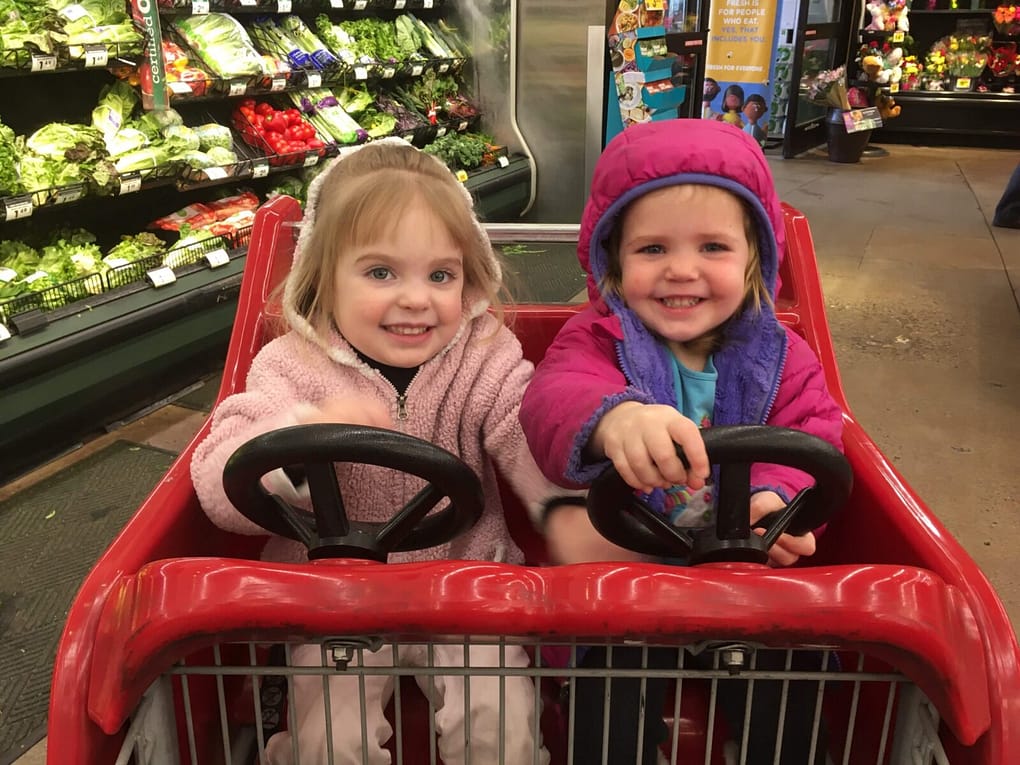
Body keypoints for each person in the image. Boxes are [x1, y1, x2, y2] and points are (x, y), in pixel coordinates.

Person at [190, 139, 563, 765]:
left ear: (469, 279)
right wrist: (301, 433)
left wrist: (570, 494)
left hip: (466, 585)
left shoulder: (485, 356)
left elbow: (526, 434)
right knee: (330, 739)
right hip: (334, 597)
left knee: (501, 726)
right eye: (381, 273)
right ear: (324, 276)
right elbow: (219, 481)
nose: (416, 299)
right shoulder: (290, 366)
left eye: (440, 275)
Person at [519, 118, 843, 763]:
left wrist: (777, 499)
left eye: (713, 249)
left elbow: (813, 434)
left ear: (756, 258)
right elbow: (552, 400)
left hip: (743, 575)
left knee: (796, 681)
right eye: (652, 250)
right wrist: (615, 419)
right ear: (612, 259)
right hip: (627, 574)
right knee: (604, 694)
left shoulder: (783, 357)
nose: (681, 271)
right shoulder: (594, 342)